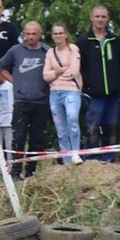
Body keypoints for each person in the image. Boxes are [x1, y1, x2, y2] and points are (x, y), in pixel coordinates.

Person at [0, 21, 50, 179]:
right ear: (24, 34)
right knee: (18, 139)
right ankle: (15, 172)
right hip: (21, 101)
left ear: (40, 34)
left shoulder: (47, 51)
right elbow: (0, 67)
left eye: (34, 34)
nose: (31, 37)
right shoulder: (15, 50)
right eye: (28, 34)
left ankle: (31, 173)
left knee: (37, 139)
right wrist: (15, 81)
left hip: (41, 101)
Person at [77, 5, 120, 162]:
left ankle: (109, 158)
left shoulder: (114, 40)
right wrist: (86, 85)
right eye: (97, 16)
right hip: (93, 93)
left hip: (113, 92)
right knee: (92, 126)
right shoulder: (84, 41)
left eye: (103, 17)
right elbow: (79, 66)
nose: (100, 20)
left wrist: (119, 81)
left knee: (110, 126)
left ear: (108, 19)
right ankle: (91, 158)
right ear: (91, 17)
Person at [43, 23, 83, 165]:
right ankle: (66, 160)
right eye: (55, 33)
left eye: (61, 33)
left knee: (72, 118)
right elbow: (45, 76)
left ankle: (75, 152)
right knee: (60, 129)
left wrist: (55, 74)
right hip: (54, 93)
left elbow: (74, 71)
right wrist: (59, 72)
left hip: (71, 90)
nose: (58, 36)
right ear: (52, 36)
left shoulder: (72, 49)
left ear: (66, 34)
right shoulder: (50, 53)